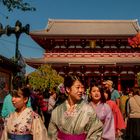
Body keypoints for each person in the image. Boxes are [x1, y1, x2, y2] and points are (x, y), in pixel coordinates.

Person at [48, 75, 103, 140]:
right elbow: (52, 133)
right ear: (68, 89)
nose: (81, 90)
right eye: (78, 87)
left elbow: (96, 130)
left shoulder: (89, 110)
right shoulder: (57, 111)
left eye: (82, 87)